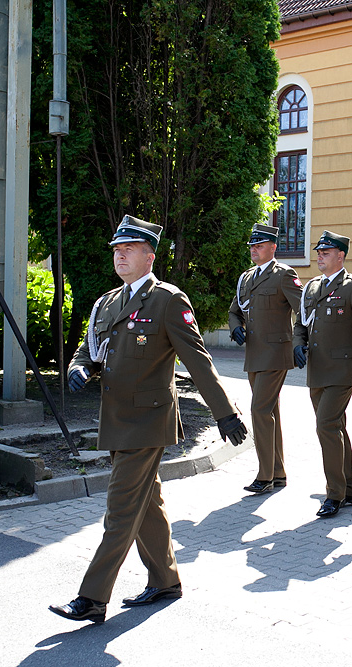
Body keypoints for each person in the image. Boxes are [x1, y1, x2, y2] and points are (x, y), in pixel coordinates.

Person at [51, 216, 247, 624]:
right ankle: (165, 579)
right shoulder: (107, 302)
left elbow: (199, 361)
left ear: (149, 256)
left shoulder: (167, 300)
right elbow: (90, 350)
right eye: (116, 251)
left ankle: (91, 598)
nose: (119, 256)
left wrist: (225, 412)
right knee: (148, 503)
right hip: (116, 418)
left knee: (120, 509)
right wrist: (79, 368)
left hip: (147, 422)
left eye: (128, 250)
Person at [293, 231, 352, 517]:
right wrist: (297, 344)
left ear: (340, 256)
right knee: (336, 427)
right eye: (318, 252)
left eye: (326, 252)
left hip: (343, 369)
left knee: (326, 425)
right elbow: (301, 324)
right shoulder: (313, 287)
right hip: (317, 370)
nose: (320, 256)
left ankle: (335, 494)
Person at [228, 224, 303, 495]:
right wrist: (235, 326)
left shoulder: (284, 275)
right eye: (252, 246)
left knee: (259, 410)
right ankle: (278, 472)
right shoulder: (246, 278)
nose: (254, 250)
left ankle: (265, 475)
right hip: (254, 354)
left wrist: (299, 343)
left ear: (273, 247)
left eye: (259, 246)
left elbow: (303, 311)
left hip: (276, 354)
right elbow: (234, 310)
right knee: (270, 412)